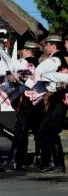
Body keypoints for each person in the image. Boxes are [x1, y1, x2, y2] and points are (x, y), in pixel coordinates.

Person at [0, 40, 45, 171]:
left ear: (28, 51)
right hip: (38, 100)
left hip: (29, 100)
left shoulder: (27, 62)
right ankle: (42, 158)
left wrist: (13, 75)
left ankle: (15, 161)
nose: (22, 52)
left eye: (24, 50)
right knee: (37, 130)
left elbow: (22, 73)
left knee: (20, 130)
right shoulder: (38, 63)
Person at [32, 33, 67, 174]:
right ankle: (53, 163)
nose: (45, 47)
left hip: (59, 99)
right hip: (56, 99)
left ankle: (55, 163)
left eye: (46, 45)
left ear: (53, 46)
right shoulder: (58, 60)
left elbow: (41, 71)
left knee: (46, 130)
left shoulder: (55, 60)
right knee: (49, 130)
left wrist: (38, 75)